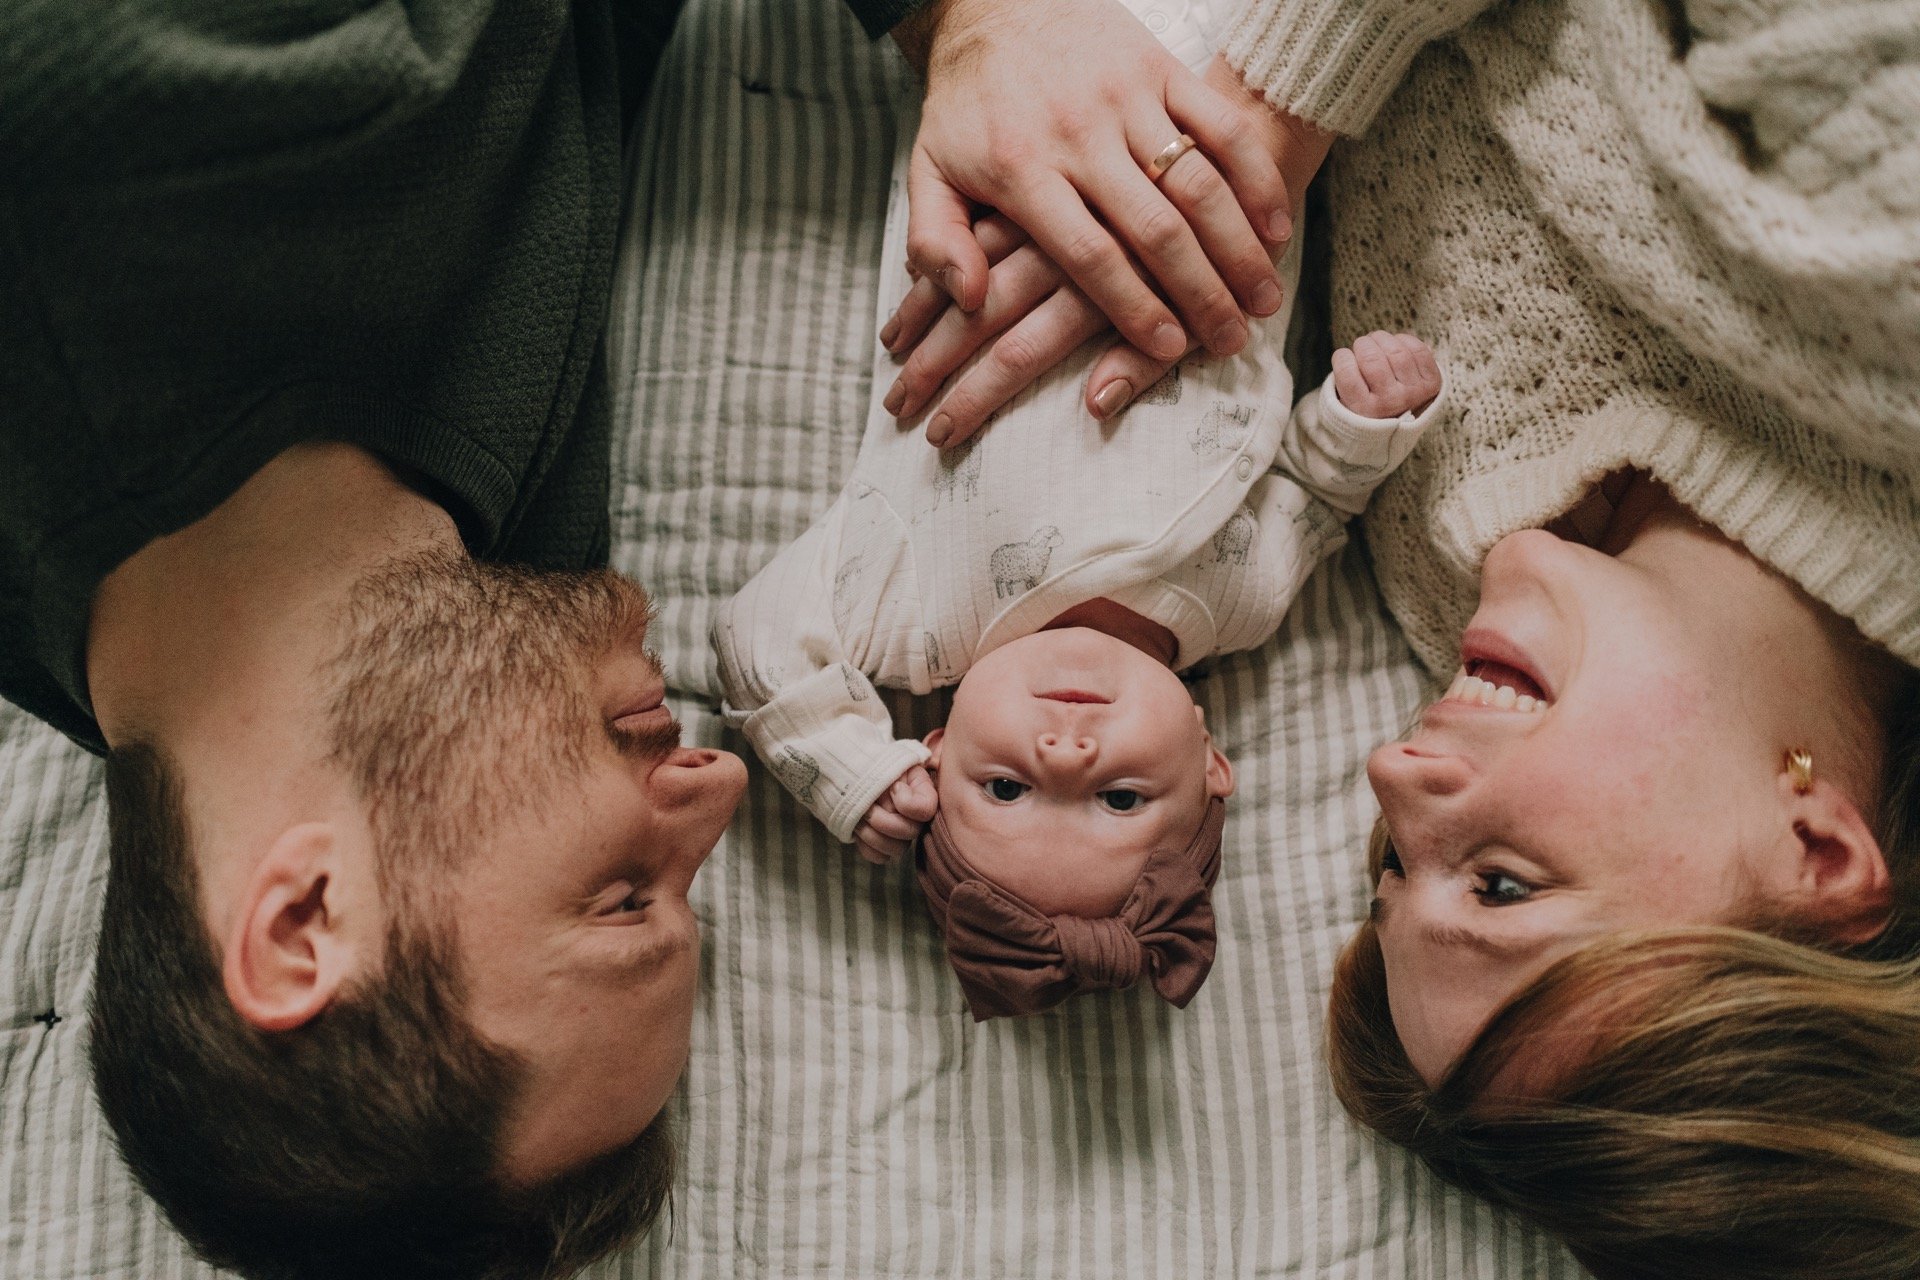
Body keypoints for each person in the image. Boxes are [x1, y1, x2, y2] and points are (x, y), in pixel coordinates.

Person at [870, 0, 1920, 1273]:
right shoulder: (1890, 329)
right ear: (1816, 853)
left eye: (1392, 870)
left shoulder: (1430, 556)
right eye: (1500, 884)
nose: (1392, 775)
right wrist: (1285, 95)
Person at [1, 1, 889, 1277]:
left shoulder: (94, 140)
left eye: (624, 895)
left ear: (306, 918)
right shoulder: (505, 588)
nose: (717, 789)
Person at [712, 0, 1444, 1025]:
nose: (1065, 756)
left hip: (1026, 122)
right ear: (1208, 760)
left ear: (933, 751)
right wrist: (1364, 417)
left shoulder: (906, 618)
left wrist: (843, 769)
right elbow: (1314, 492)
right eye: (1121, 799)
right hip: (1251, 91)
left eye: (1003, 788)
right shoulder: (1237, 602)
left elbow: (755, 645)